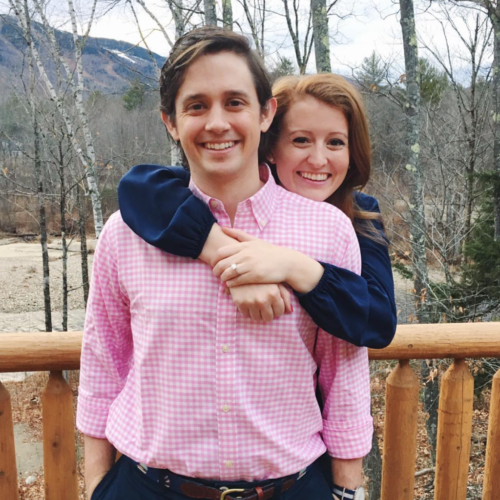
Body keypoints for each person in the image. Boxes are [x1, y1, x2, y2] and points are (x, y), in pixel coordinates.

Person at [78, 28, 373, 500]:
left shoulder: (329, 231)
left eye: (235, 102)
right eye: (196, 106)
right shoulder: (125, 233)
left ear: (265, 113)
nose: (217, 123)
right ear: (171, 122)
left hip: (291, 487)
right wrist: (97, 485)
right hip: (149, 486)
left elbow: (343, 372)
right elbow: (103, 361)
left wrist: (347, 488)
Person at [118, 76, 396, 351]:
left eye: (335, 142)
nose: (318, 160)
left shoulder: (360, 213)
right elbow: (138, 187)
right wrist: (226, 254)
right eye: (301, 140)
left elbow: (379, 322)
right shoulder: (238, 194)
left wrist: (294, 266)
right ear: (271, 146)